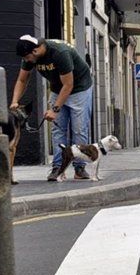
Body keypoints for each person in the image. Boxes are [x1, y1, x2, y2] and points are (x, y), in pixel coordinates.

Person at [10, 35, 94, 180]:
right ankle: (58, 168)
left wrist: (54, 109)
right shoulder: (29, 55)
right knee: (58, 129)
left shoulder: (60, 53)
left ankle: (79, 168)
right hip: (57, 88)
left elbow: (68, 85)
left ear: (35, 51)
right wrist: (14, 101)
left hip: (79, 88)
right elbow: (22, 80)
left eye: (27, 57)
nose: (26, 61)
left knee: (79, 129)